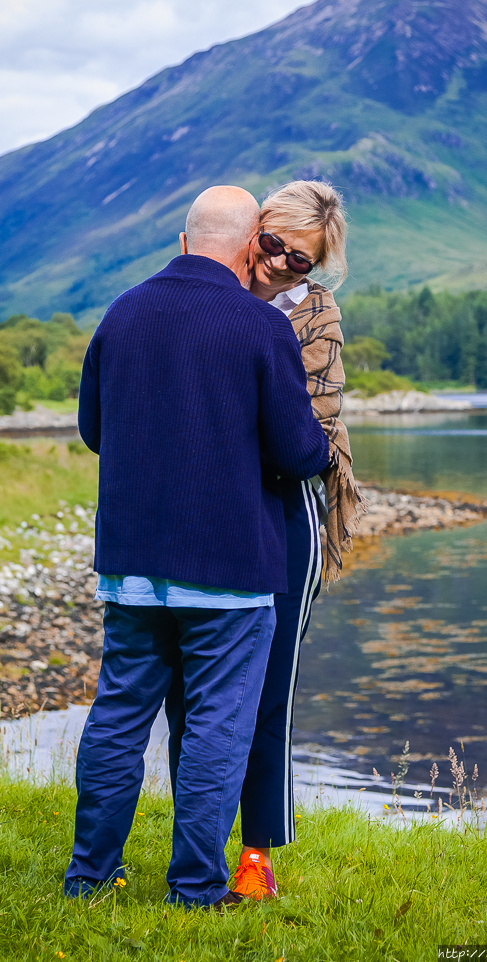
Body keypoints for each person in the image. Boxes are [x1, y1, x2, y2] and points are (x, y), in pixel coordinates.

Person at [64, 185, 329, 910]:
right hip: (228, 575)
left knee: (117, 717)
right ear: (249, 247)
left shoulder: (119, 314)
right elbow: (300, 451)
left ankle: (90, 876)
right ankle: (197, 887)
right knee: (218, 724)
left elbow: (95, 431)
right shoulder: (258, 328)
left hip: (130, 568)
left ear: (183, 242)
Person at [166, 180, 364, 900]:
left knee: (268, 691)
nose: (281, 264)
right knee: (191, 691)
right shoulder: (203, 292)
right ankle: (196, 848)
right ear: (252, 233)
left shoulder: (314, 314)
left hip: (286, 513)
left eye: (301, 260)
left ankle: (255, 854)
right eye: (274, 245)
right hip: (208, 516)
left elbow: (305, 435)